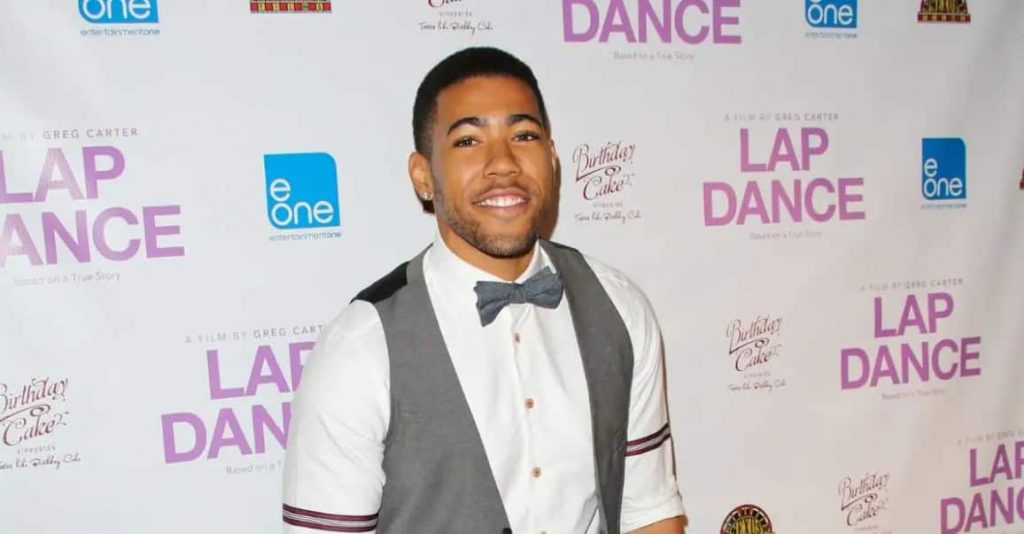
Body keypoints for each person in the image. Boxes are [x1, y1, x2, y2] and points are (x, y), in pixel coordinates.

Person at [282, 46, 686, 534]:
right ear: (423, 176)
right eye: (469, 141)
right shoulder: (363, 347)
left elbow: (649, 512)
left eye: (523, 135)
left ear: (552, 158)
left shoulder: (619, 308)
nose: (503, 163)